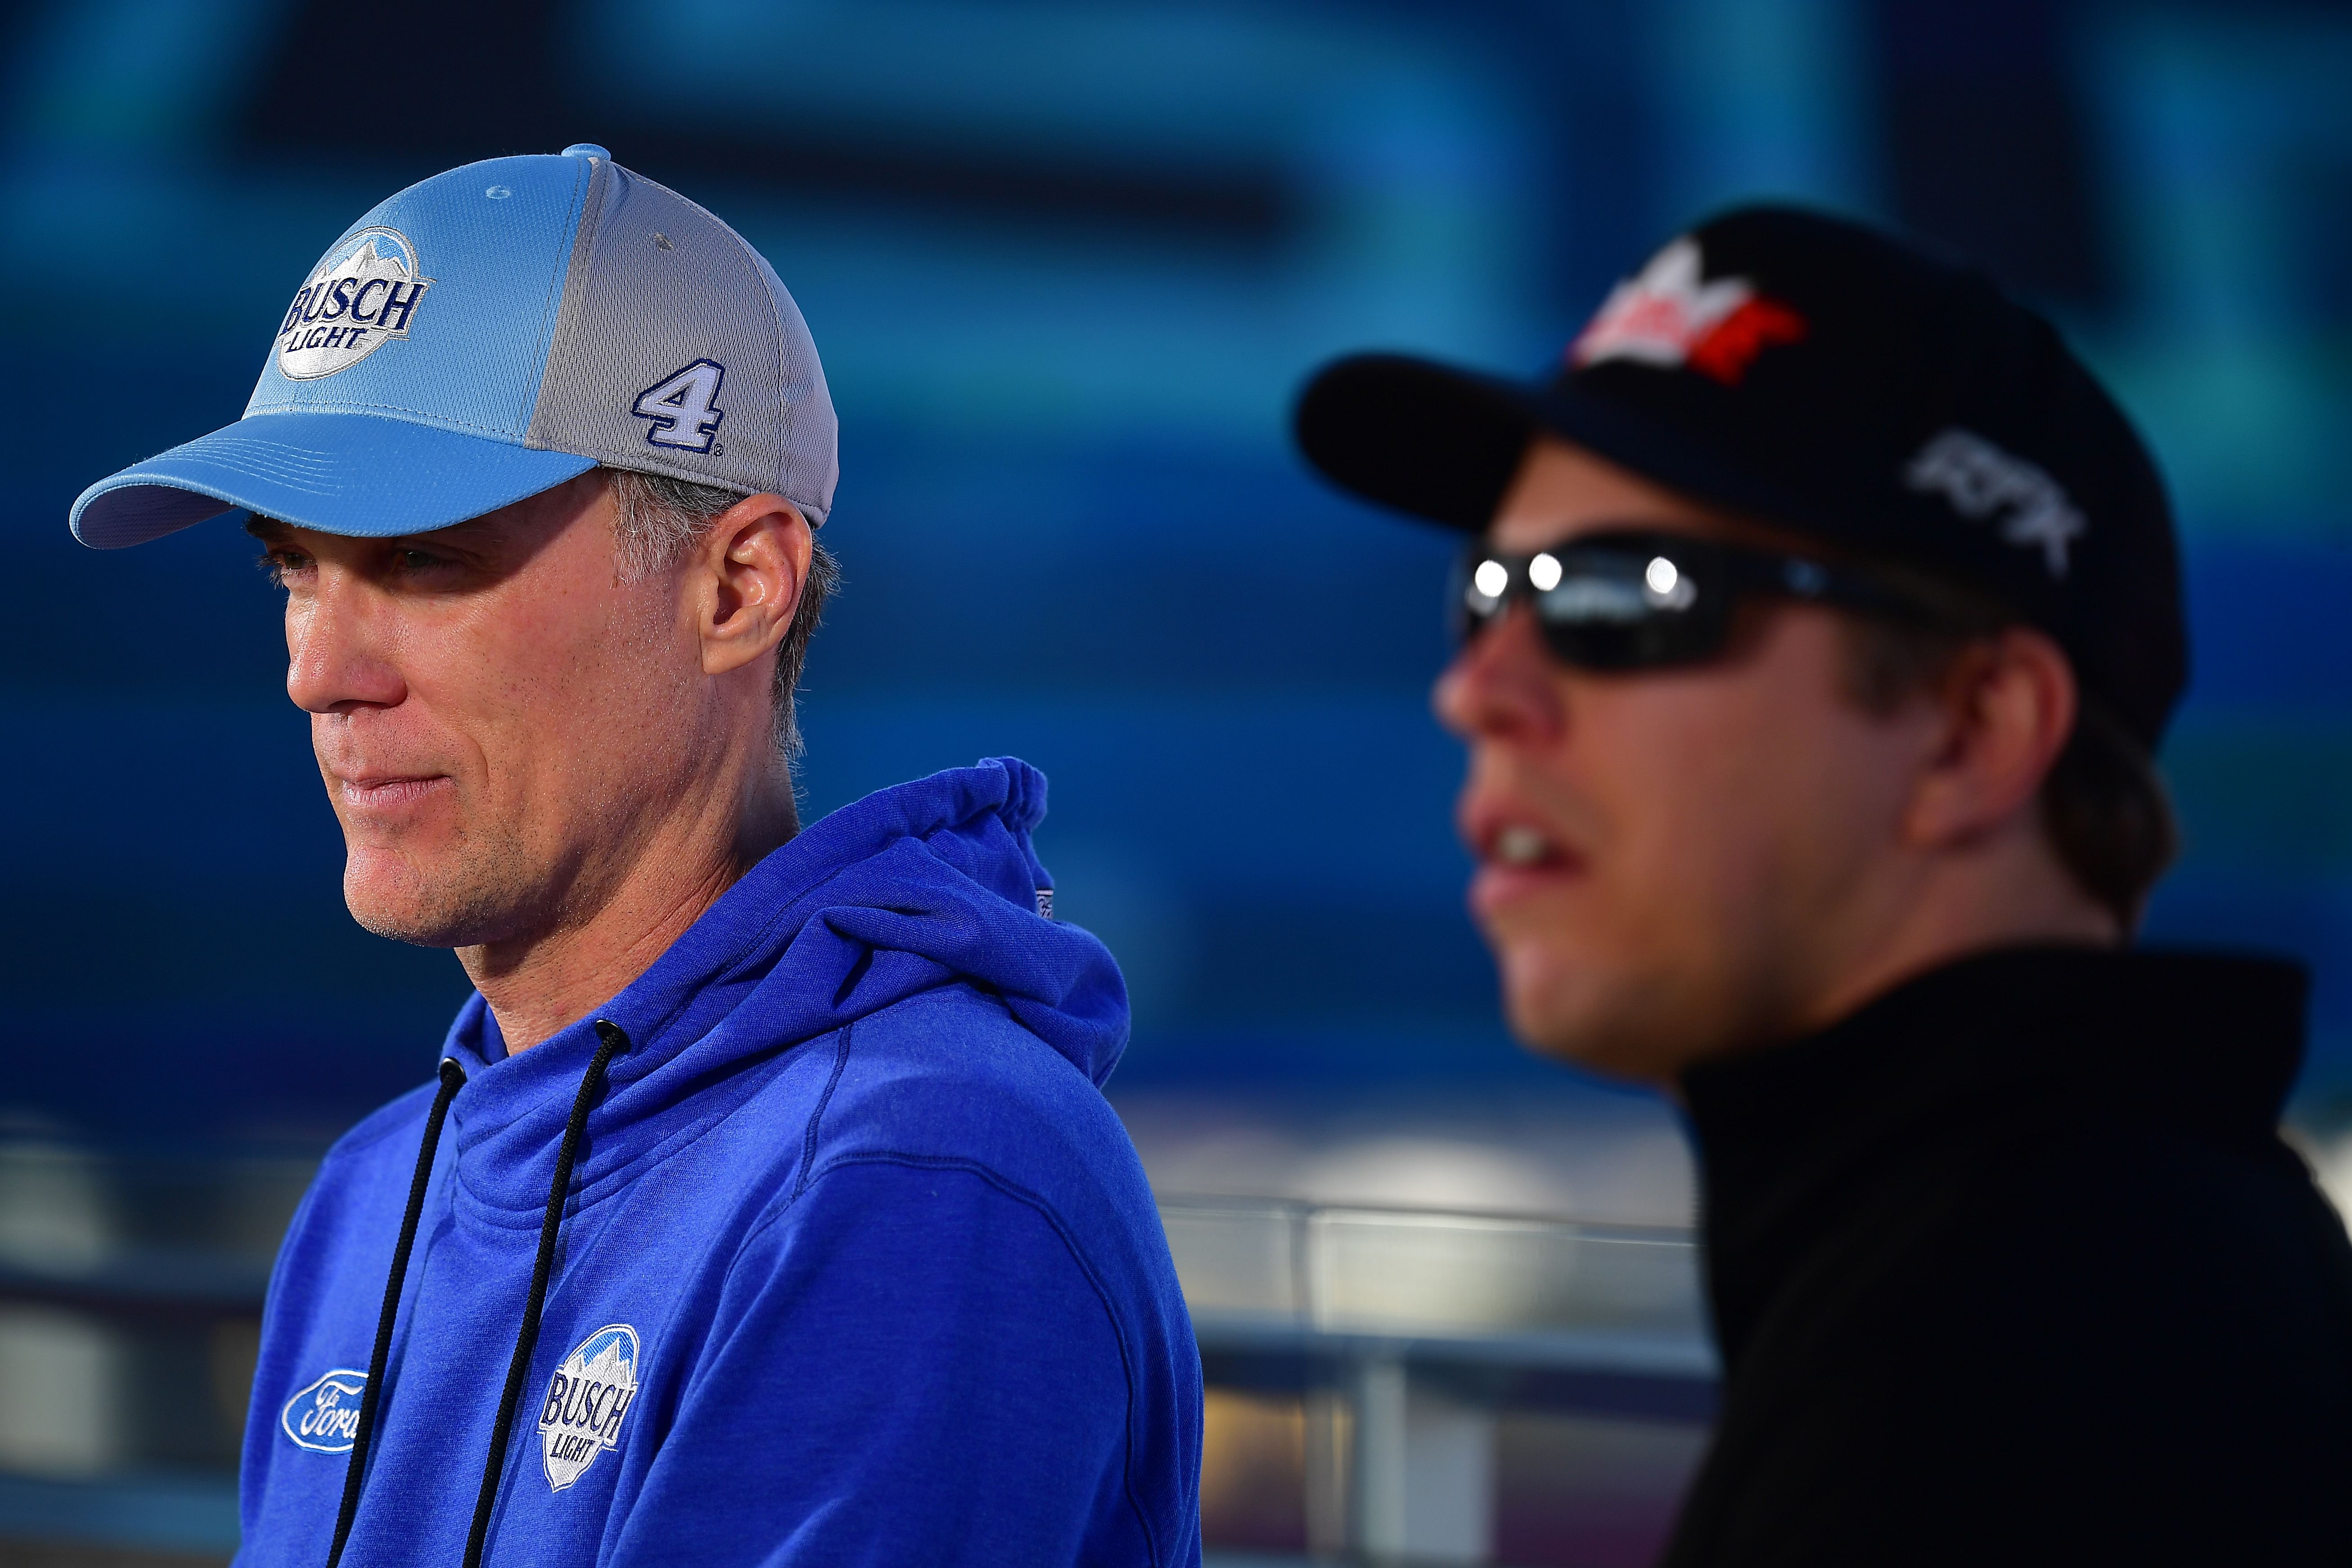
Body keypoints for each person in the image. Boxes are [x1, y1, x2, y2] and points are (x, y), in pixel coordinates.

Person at [71, 146, 1201, 1568]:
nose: (321, 672)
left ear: (738, 586)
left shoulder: (917, 1175)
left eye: (426, 561)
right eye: (293, 567)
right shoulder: (381, 1187)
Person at [1292, 206, 2352, 1564]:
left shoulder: (2031, 1368)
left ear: (1976, 729)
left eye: (1626, 593)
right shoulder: (2083, 1265)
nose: (1476, 688)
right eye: (1486, 589)